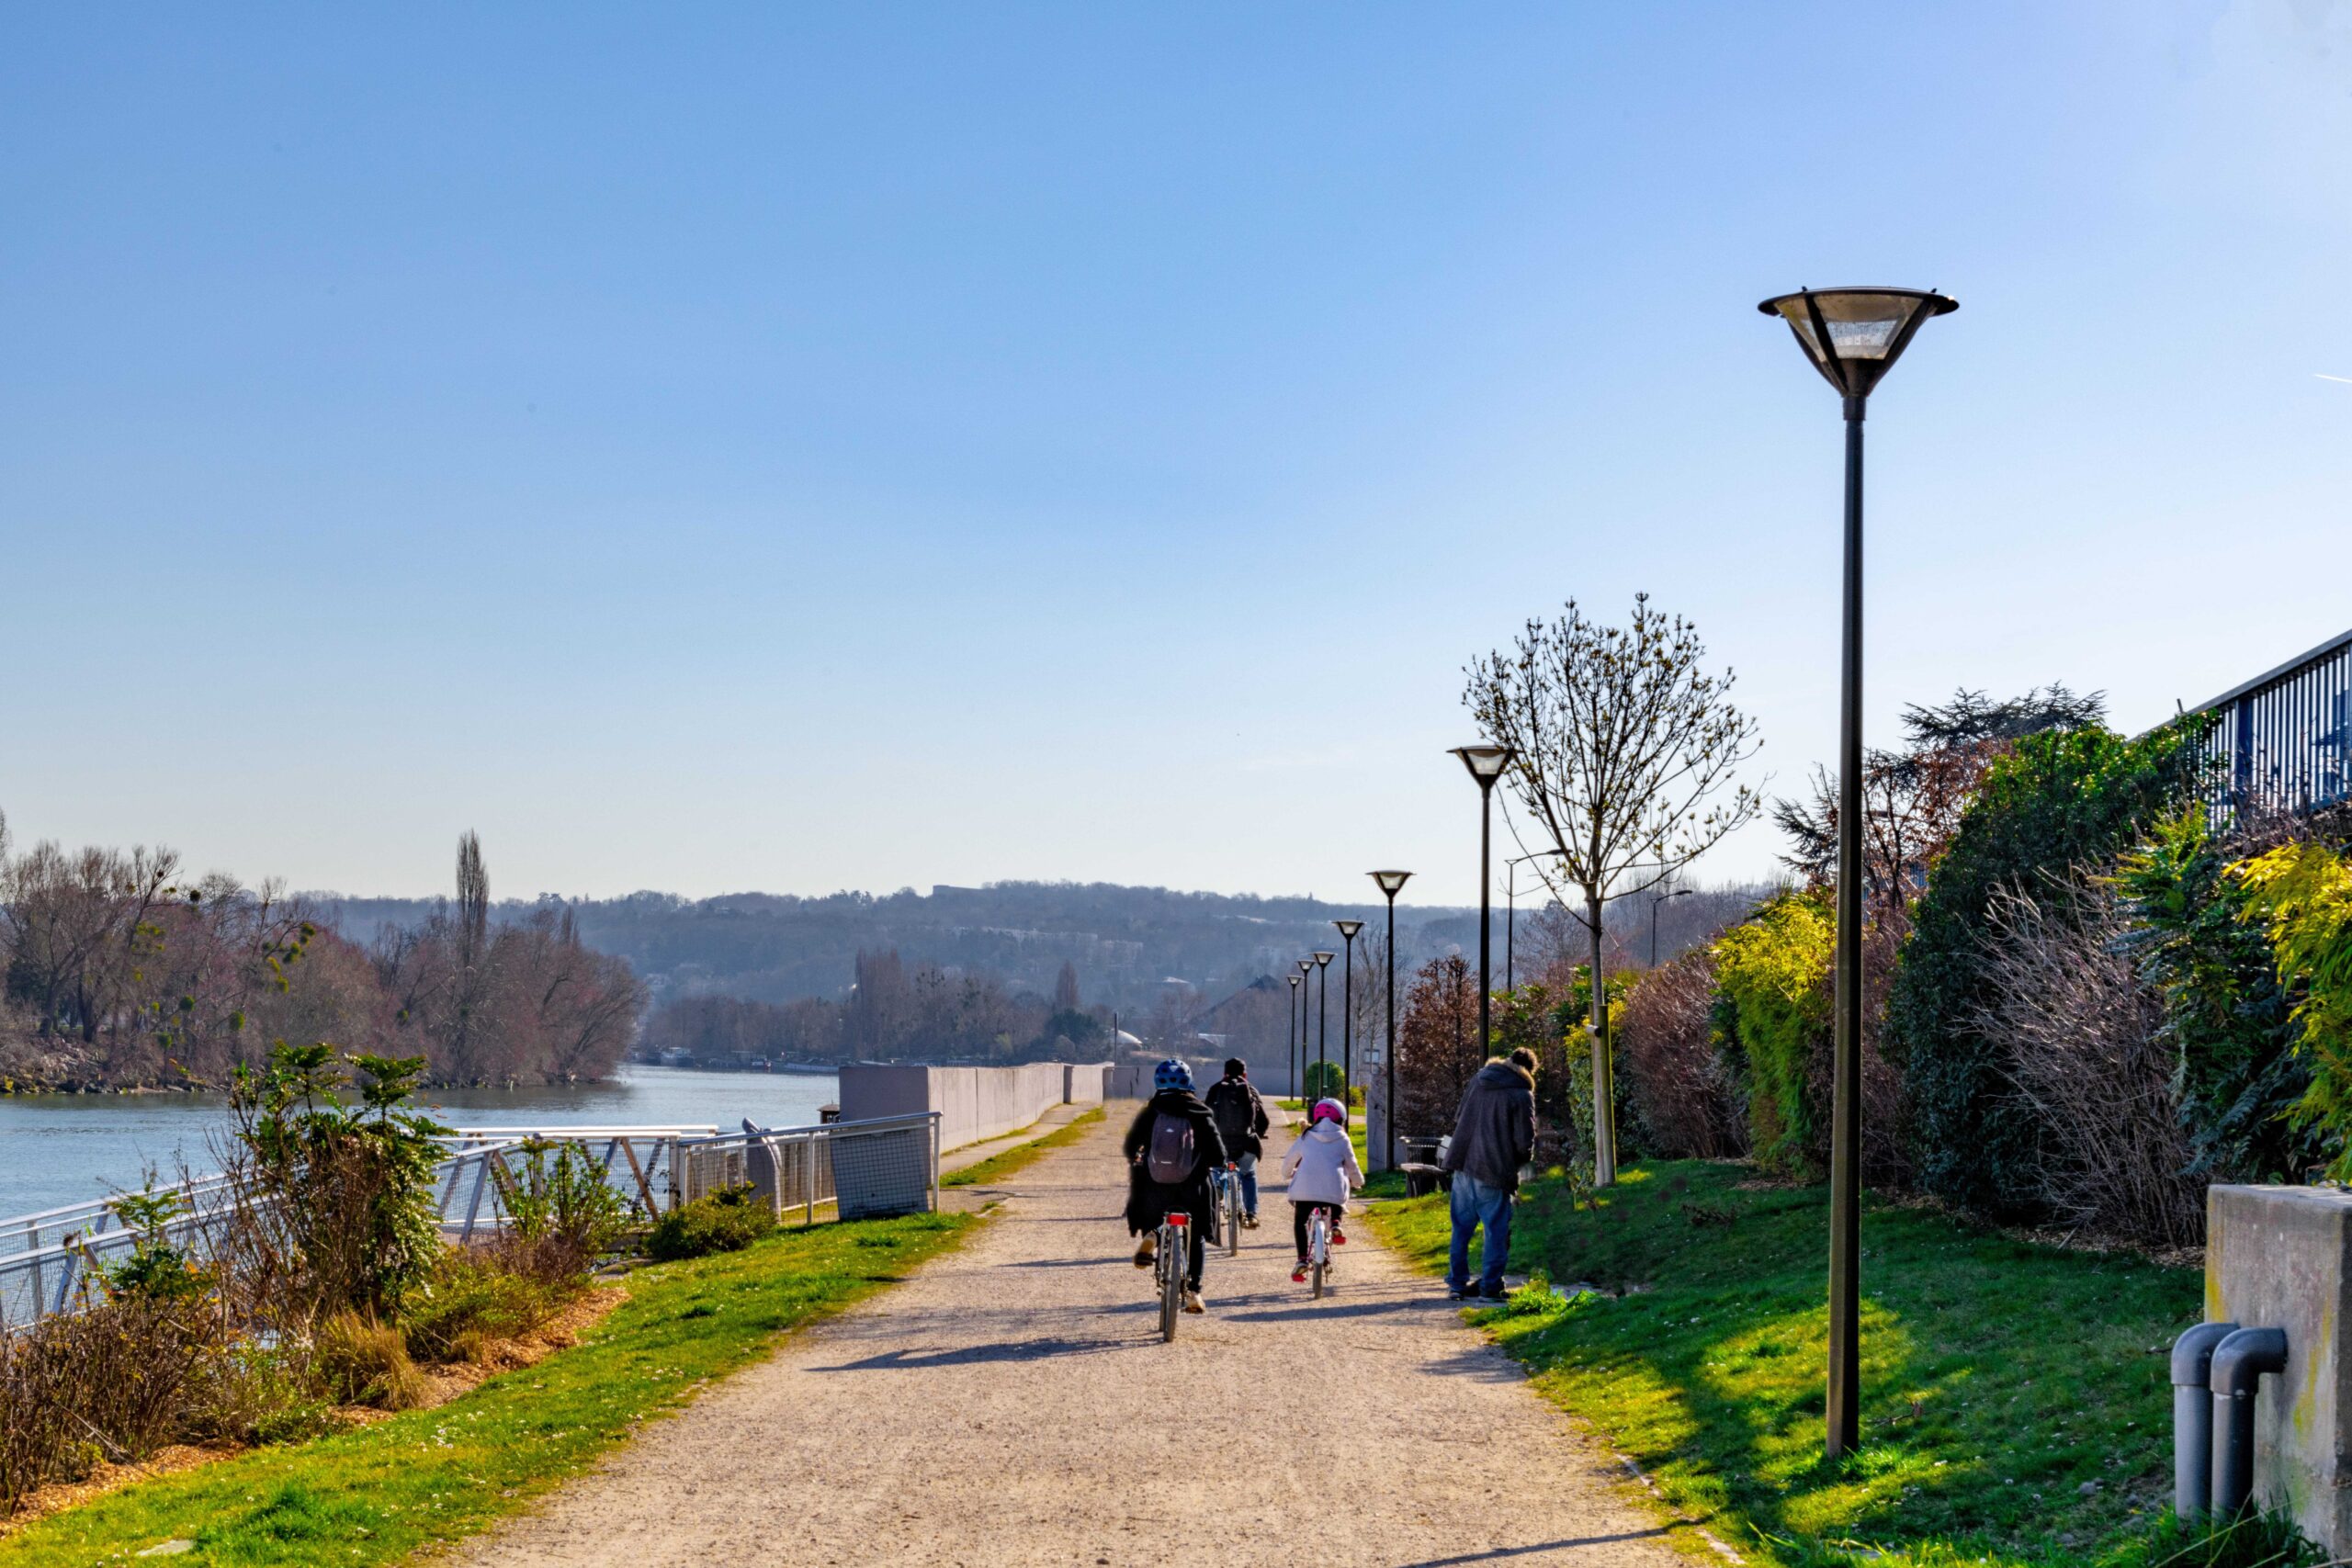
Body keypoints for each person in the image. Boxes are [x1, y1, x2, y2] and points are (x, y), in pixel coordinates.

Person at [1123, 1058, 1228, 1314]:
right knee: (1198, 1234)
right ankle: (1194, 1291)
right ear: (1189, 1080)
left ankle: (1155, 1233)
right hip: (1193, 1187)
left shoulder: (1150, 1112)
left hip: (1156, 1186)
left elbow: (1130, 1148)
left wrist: (1141, 1161)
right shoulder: (1200, 1112)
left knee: (1155, 1212)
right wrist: (1212, 1164)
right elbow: (1218, 1155)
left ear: (1158, 1082)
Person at [1440, 1046, 1537, 1302]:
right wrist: (1522, 1161)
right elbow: (1524, 1140)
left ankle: (1457, 1285)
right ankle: (1491, 1287)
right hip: (1494, 1170)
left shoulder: (1479, 1080)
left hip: (1463, 1164)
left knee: (1461, 1229)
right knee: (1495, 1231)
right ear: (1529, 1070)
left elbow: (1460, 1115)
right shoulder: (1521, 1093)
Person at [1280, 1096, 1363, 1283]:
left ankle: (1302, 1259)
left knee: (1300, 1221)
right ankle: (1335, 1222)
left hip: (1304, 1190)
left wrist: (1286, 1174)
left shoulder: (1307, 1135)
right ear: (1341, 1118)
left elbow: (1290, 1159)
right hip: (1332, 1193)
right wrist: (1358, 1181)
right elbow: (1352, 1165)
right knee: (1340, 1184)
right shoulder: (1342, 1138)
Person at [1202, 1057, 1270, 1227]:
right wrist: (1259, 1133)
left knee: (1216, 1168)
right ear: (1244, 1074)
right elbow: (1263, 1119)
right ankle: (1251, 1214)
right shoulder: (1250, 1090)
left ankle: (1218, 1185)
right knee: (1248, 1174)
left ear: (1224, 1073)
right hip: (1246, 1142)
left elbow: (1206, 1116)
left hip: (1220, 1142)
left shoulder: (1216, 1089)